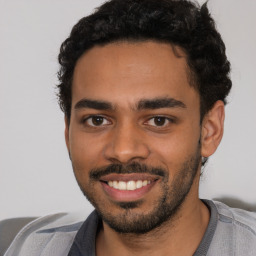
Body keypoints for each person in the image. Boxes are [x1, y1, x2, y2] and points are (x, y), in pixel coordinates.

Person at [1, 0, 256, 255]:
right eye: (97, 120)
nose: (123, 151)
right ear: (68, 132)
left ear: (209, 129)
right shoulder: (28, 248)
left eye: (158, 120)